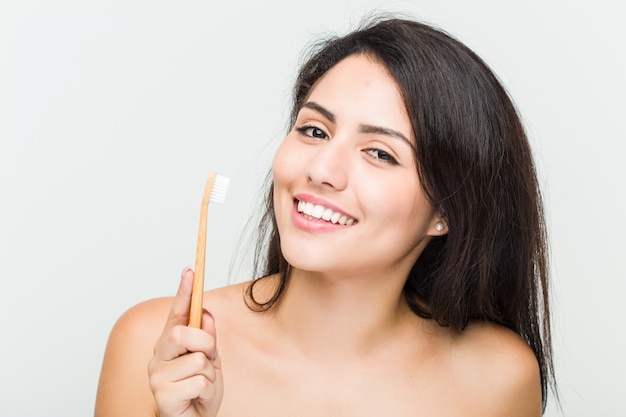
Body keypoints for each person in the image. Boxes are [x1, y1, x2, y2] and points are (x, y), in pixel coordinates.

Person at [95, 15, 556, 417]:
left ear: (445, 212)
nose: (321, 170)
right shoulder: (156, 347)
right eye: (314, 130)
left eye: (379, 153)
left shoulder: (499, 380)